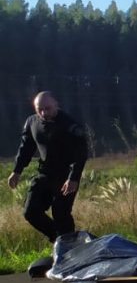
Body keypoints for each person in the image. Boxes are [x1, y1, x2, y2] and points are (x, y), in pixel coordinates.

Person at [7, 92, 88, 243]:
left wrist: (73, 178)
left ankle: (68, 249)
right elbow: (26, 148)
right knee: (30, 212)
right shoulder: (32, 122)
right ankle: (60, 240)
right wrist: (16, 171)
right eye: (40, 109)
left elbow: (81, 153)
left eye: (48, 108)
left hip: (66, 176)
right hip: (44, 173)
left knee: (61, 214)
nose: (44, 112)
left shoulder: (69, 124)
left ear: (56, 104)